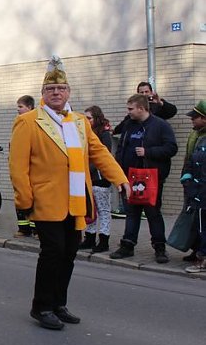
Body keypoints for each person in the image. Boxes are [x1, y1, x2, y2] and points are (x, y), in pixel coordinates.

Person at [10, 56, 129, 330]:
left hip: (77, 200)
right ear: (43, 94)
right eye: (51, 89)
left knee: (69, 253)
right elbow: (18, 166)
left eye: (61, 89)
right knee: (52, 251)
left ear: (68, 93)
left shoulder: (78, 121)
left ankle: (58, 302)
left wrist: (118, 178)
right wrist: (25, 200)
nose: (56, 93)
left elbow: (99, 152)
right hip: (45, 200)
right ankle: (41, 306)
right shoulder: (28, 122)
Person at [111, 94, 178, 263]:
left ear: (141, 108)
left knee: (153, 214)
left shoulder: (160, 125)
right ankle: (127, 245)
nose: (129, 112)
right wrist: (119, 169)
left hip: (151, 178)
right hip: (130, 178)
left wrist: (149, 152)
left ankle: (160, 248)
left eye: (130, 109)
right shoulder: (129, 125)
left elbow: (171, 148)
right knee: (132, 213)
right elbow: (121, 148)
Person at [79, 106, 114, 252]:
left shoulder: (104, 134)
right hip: (88, 178)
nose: (86, 121)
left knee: (103, 210)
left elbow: (102, 158)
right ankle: (90, 238)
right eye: (85, 118)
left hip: (100, 179)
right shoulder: (86, 133)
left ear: (97, 118)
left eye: (89, 118)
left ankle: (104, 240)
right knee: (90, 209)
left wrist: (87, 168)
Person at [181, 101, 206, 273]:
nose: (192, 120)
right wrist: (187, 175)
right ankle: (199, 254)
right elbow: (191, 159)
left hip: (203, 189)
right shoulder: (199, 138)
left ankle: (203, 259)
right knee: (200, 224)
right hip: (197, 189)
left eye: (195, 117)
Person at [14, 95, 36, 237]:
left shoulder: (34, 123)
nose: (18, 110)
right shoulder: (19, 123)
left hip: (32, 171)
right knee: (20, 198)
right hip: (20, 171)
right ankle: (23, 228)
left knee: (34, 202)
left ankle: (36, 229)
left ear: (30, 107)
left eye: (21, 107)